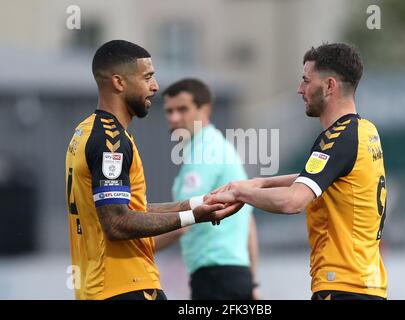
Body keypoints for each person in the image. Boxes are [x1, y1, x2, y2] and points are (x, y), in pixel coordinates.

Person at [206, 43, 388, 300]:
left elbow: (293, 201)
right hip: (366, 285)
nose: (300, 89)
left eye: (306, 80)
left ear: (329, 86)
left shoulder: (337, 138)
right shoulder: (365, 131)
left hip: (343, 286)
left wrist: (239, 192)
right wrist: (258, 184)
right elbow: (326, 179)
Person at [65, 40, 236, 300]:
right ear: (118, 83)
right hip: (126, 286)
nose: (155, 87)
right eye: (147, 78)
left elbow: (131, 209)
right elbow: (117, 222)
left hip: (99, 289)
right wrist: (194, 217)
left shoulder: (86, 131)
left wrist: (199, 202)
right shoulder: (110, 140)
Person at [154, 79, 259, 300]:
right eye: (169, 111)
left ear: (205, 109)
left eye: (182, 109)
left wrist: (139, 248)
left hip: (215, 275)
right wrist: (253, 281)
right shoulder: (220, 147)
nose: (174, 118)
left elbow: (184, 220)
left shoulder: (203, 152)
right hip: (236, 275)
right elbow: (248, 219)